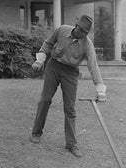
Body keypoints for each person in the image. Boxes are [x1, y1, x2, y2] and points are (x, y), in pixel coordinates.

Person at [31, 15, 107, 158]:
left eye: (85, 33)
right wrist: (40, 60)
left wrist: (100, 89)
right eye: (81, 30)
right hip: (53, 66)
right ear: (76, 26)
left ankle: (71, 144)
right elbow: (47, 44)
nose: (82, 34)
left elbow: (93, 66)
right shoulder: (62, 30)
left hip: (71, 73)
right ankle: (36, 132)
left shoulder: (87, 45)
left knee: (70, 108)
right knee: (45, 100)